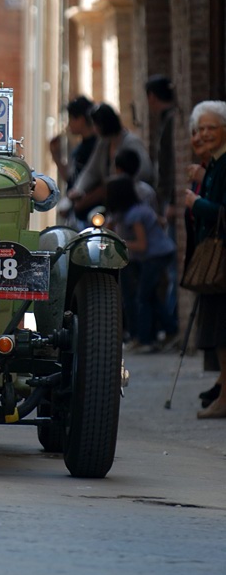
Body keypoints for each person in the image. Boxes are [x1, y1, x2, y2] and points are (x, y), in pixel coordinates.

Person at [184, 100, 226, 419]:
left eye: (210, 128)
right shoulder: (214, 164)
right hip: (213, 260)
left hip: (221, 260)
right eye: (199, 130)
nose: (203, 135)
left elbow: (220, 211)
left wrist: (197, 203)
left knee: (222, 332)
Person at [106, 175, 176, 353]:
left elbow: (142, 245)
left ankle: (145, 339)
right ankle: (169, 330)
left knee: (143, 297)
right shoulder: (130, 212)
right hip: (153, 256)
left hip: (156, 255)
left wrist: (119, 242)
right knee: (150, 296)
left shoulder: (135, 215)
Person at [68, 102, 155, 219]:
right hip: (114, 204)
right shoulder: (103, 143)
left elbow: (144, 171)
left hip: (133, 201)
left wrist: (118, 183)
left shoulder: (131, 142)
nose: (94, 128)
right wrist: (78, 189)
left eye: (96, 125)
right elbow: (91, 170)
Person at [146, 76, 178, 331]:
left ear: (152, 98)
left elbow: (169, 166)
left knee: (173, 265)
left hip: (171, 201)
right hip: (169, 199)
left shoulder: (170, 122)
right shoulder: (169, 120)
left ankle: (172, 323)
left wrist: (169, 200)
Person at [49, 95, 97, 228]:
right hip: (76, 215)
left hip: (93, 214)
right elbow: (71, 178)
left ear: (81, 119)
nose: (69, 124)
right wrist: (56, 155)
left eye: (71, 119)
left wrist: (81, 203)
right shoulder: (79, 149)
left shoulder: (97, 147)